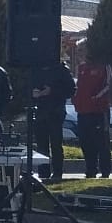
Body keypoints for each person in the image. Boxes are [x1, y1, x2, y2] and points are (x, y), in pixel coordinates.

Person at [29, 47, 74, 183]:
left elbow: (71, 90)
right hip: (40, 110)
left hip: (55, 111)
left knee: (56, 143)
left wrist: (52, 91)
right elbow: (27, 86)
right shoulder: (36, 69)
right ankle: (43, 173)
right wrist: (33, 93)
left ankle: (57, 173)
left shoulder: (62, 70)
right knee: (41, 144)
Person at [72, 39, 112, 179]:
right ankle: (90, 170)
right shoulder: (81, 68)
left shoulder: (103, 65)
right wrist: (76, 100)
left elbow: (109, 85)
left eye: (81, 50)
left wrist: (96, 98)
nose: (79, 53)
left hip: (99, 111)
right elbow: (78, 87)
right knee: (85, 141)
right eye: (78, 51)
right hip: (83, 111)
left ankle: (105, 171)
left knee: (101, 142)